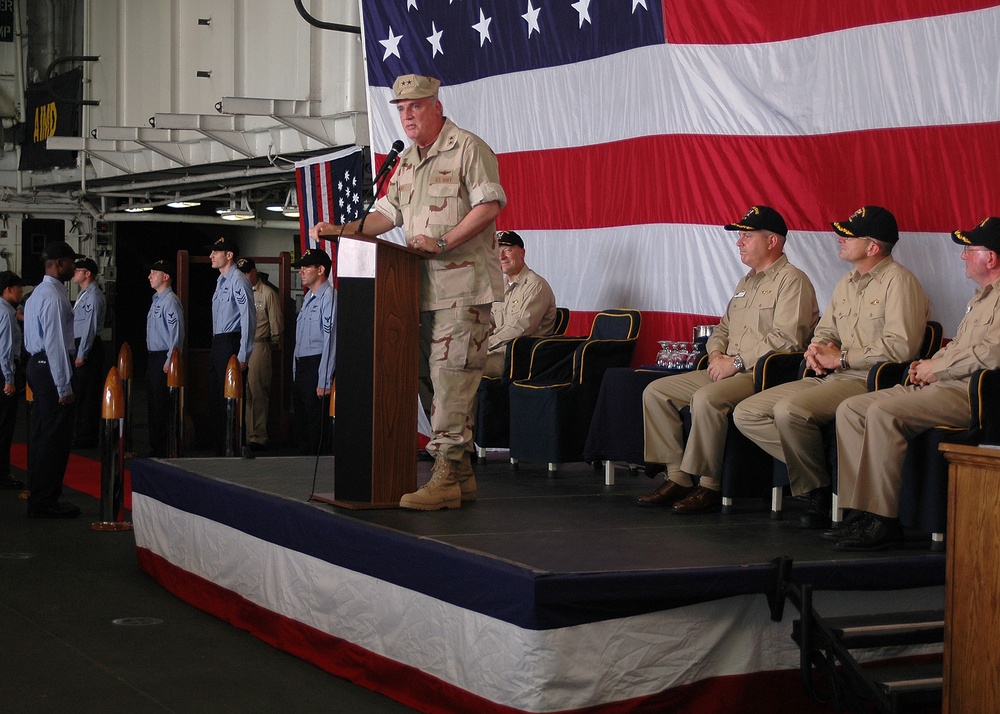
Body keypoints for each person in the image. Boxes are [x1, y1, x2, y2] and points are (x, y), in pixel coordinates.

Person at [309, 73, 505, 511]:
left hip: (463, 290)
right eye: (400, 109)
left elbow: (489, 206)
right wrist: (344, 231)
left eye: (415, 106)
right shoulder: (408, 160)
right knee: (426, 380)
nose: (407, 115)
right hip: (419, 292)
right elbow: (386, 213)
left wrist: (442, 242)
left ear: (436, 104)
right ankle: (460, 474)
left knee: (451, 379)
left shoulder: (468, 148)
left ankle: (444, 475)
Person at [734, 206, 930, 528]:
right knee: (748, 413)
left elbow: (900, 347)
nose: (840, 238)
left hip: (867, 380)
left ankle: (817, 491)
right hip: (829, 375)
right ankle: (820, 475)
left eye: (849, 236)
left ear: (872, 247)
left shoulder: (900, 282)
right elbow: (826, 330)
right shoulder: (847, 282)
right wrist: (815, 350)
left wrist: (840, 358)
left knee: (789, 412)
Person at [832, 217, 1000, 550]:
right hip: (947, 383)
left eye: (970, 249)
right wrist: (930, 363)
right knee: (851, 408)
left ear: (991, 258)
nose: (964, 256)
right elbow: (963, 345)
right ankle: (857, 512)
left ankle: (883, 521)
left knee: (883, 412)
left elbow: (991, 353)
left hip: (973, 393)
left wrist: (939, 366)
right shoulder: (982, 295)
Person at [639, 206, 819, 513]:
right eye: (740, 236)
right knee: (656, 392)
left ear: (772, 241)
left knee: (707, 399)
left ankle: (708, 485)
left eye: (747, 236)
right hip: (727, 367)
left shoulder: (793, 281)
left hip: (760, 375)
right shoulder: (746, 282)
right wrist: (717, 353)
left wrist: (735, 363)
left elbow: (786, 339)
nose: (739, 243)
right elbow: (722, 327)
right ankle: (678, 476)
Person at [24, 241, 83, 518]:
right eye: (72, 262)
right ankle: (46, 500)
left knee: (40, 434)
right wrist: (64, 386)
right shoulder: (55, 298)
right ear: (59, 263)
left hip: (36, 364)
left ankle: (39, 495)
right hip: (51, 367)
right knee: (54, 438)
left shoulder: (36, 294)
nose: (75, 267)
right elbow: (57, 344)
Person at [483, 230, 557, 378]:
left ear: (522, 253)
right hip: (499, 350)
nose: (501, 256)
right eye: (497, 251)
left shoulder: (535, 285)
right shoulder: (501, 287)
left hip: (520, 358)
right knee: (452, 362)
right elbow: (487, 321)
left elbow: (519, 328)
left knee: (466, 371)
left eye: (508, 250)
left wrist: (484, 346)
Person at [207, 237, 256, 453]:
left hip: (231, 342)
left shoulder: (238, 280)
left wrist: (243, 353)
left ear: (229, 256)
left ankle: (232, 446)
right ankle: (220, 446)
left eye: (216, 252)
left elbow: (248, 317)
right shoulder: (221, 280)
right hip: (218, 342)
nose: (211, 256)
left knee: (231, 397)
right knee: (216, 396)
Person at [291, 249, 337, 455]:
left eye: (306, 267)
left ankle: (317, 476)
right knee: (301, 424)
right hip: (303, 366)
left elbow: (331, 340)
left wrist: (324, 380)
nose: (301, 271)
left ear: (320, 270)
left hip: (317, 365)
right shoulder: (309, 297)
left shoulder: (329, 297)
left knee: (316, 426)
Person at [237, 257, 283, 450]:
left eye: (248, 272)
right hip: (242, 346)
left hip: (259, 344)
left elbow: (276, 327)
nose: (245, 276)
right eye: (242, 273)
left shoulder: (267, 294)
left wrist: (269, 345)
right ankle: (248, 434)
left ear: (254, 272)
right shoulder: (240, 292)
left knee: (258, 392)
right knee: (244, 393)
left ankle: (258, 436)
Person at [145, 259, 185, 458]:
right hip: (154, 357)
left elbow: (175, 333)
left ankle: (164, 448)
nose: (150, 276)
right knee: (153, 403)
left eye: (154, 272)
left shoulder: (170, 301)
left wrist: (170, 360)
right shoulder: (156, 300)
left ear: (166, 277)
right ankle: (156, 446)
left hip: (164, 357)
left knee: (162, 405)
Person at [70, 256, 107, 448]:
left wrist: (82, 353)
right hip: (80, 345)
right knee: (81, 392)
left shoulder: (93, 296)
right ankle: (81, 434)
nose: (74, 272)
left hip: (88, 348)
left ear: (87, 274)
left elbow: (90, 328)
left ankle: (87, 437)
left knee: (88, 394)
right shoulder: (84, 294)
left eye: (78, 270)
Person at [0, 271, 24, 490]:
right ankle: (3, 473)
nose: (22, 291)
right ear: (8, 290)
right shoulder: (6, 313)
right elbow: (6, 349)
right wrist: (9, 379)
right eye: (19, 287)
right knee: (5, 425)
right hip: (4, 371)